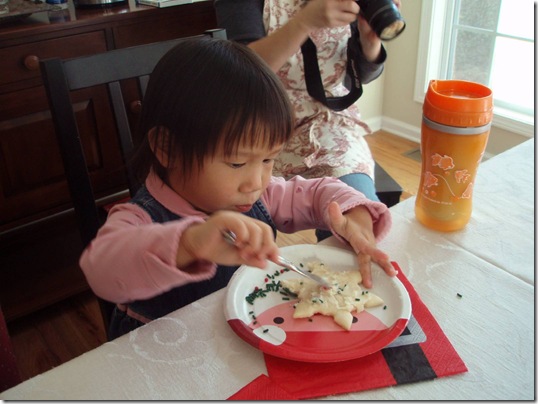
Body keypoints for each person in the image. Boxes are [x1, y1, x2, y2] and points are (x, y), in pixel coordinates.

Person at [79, 37, 396, 340]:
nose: (256, 182)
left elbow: (318, 193)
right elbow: (101, 271)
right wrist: (190, 244)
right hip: (162, 357)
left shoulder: (260, 195)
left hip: (239, 337)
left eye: (268, 159)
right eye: (236, 163)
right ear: (167, 149)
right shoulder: (139, 218)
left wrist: (353, 213)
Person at [214, 0, 400, 239]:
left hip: (330, 123)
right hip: (261, 125)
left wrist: (370, 39)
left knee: (356, 218)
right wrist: (304, 22)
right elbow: (241, 73)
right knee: (237, 238)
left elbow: (359, 75)